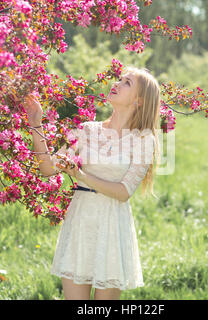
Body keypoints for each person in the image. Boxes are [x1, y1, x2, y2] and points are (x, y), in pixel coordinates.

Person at [23, 66, 161, 300]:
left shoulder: (143, 139)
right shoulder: (87, 130)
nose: (116, 84)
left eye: (126, 83)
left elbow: (124, 191)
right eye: (119, 79)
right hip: (81, 219)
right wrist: (36, 124)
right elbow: (47, 168)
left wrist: (81, 176)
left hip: (111, 224)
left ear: (139, 101)